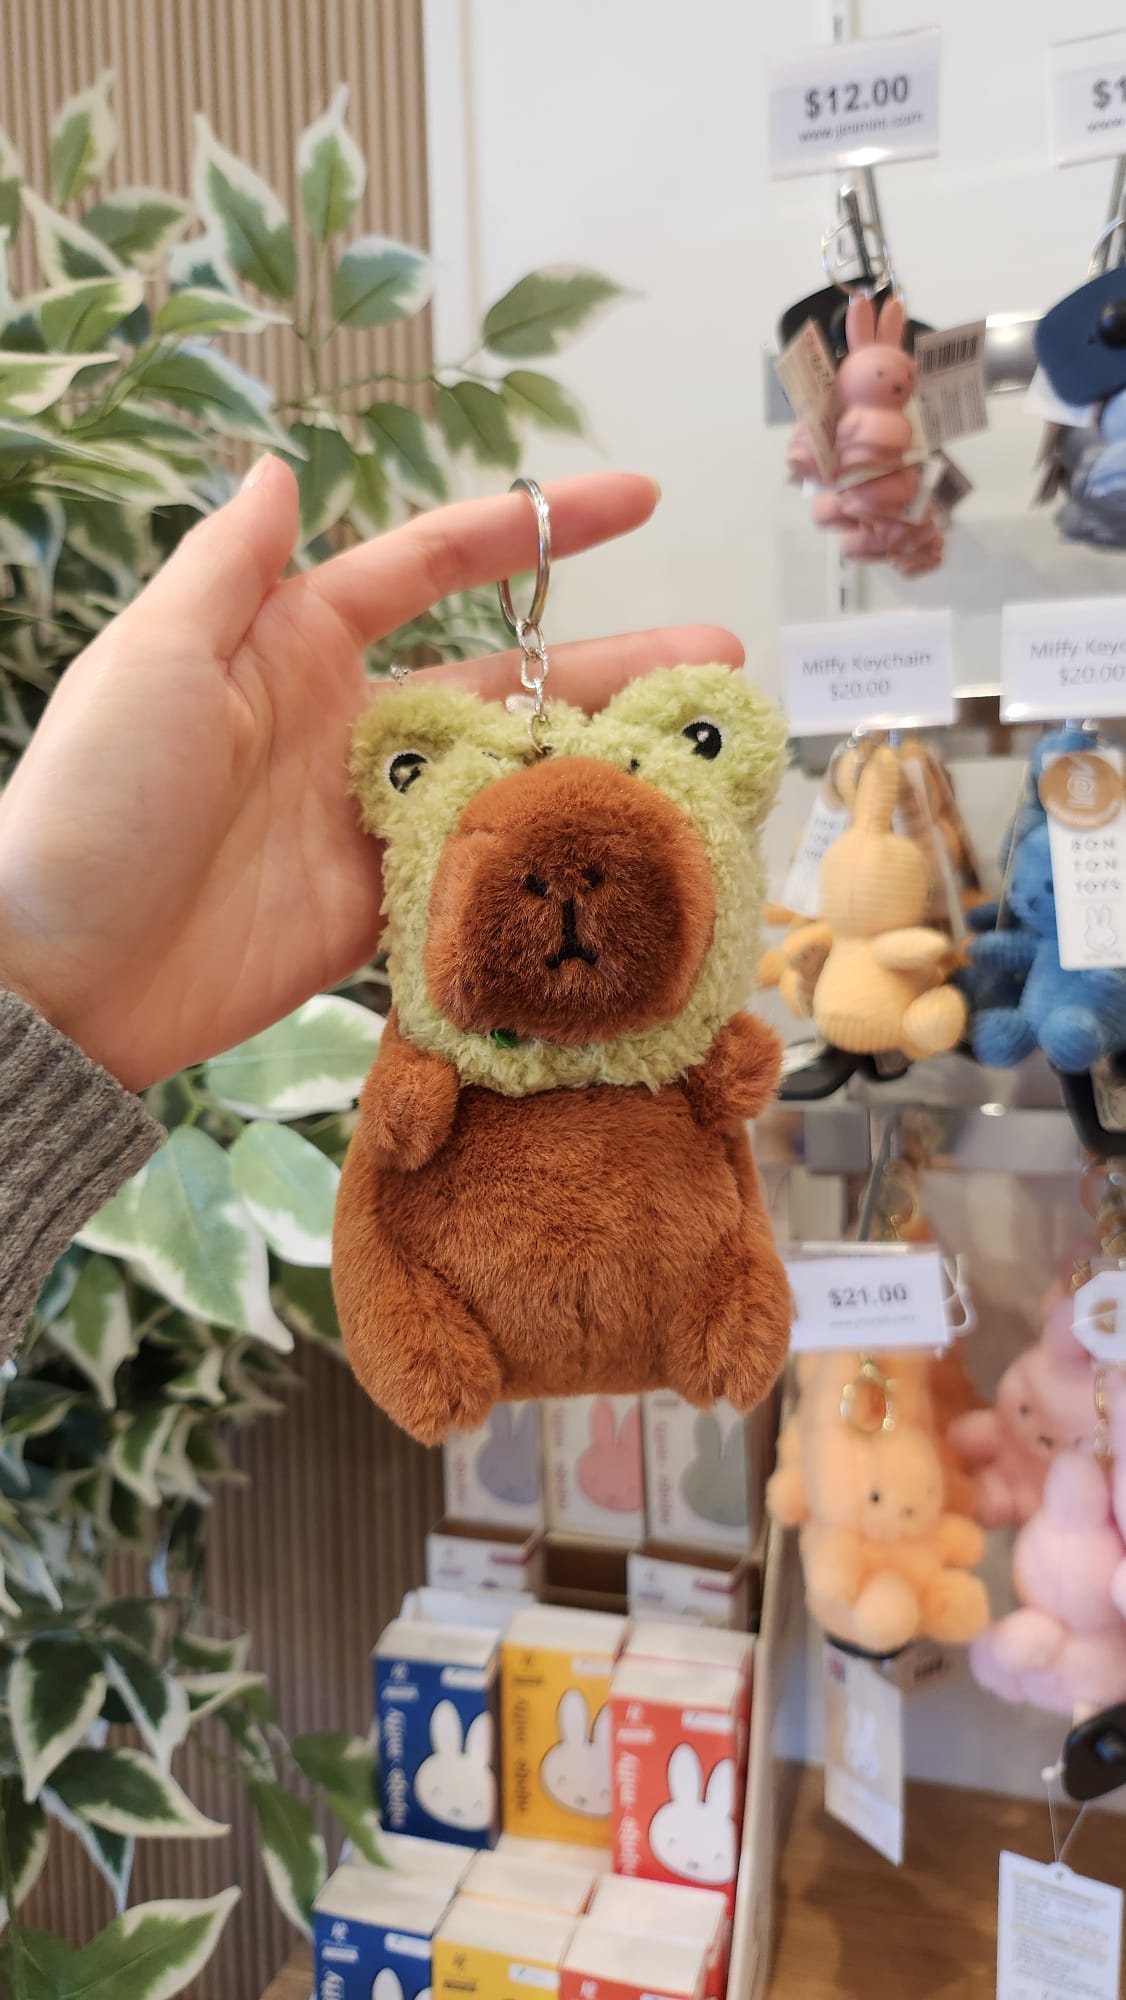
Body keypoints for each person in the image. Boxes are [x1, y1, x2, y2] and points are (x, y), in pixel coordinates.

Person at [0, 458, 742, 1351]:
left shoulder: (672, 1042)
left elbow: (733, 1083)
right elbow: (400, 1125)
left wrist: (43, 975)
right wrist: (38, 971)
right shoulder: (434, 1037)